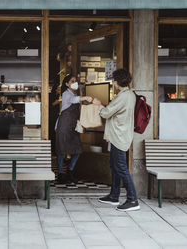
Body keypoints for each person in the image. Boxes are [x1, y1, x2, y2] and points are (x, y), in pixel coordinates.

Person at [93, 68, 140, 212]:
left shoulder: (123, 96)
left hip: (119, 137)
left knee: (121, 167)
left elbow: (106, 113)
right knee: (114, 166)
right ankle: (114, 196)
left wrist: (98, 105)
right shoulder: (129, 95)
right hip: (118, 136)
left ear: (117, 81)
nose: (113, 82)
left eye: (113, 80)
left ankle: (133, 200)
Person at [55, 75, 93, 184]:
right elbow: (73, 100)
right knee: (61, 151)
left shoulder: (76, 94)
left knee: (77, 150)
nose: (75, 83)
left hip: (72, 126)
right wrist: (85, 98)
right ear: (67, 84)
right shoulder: (66, 94)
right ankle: (61, 174)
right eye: (72, 81)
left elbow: (77, 102)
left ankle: (70, 171)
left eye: (76, 81)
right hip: (63, 126)